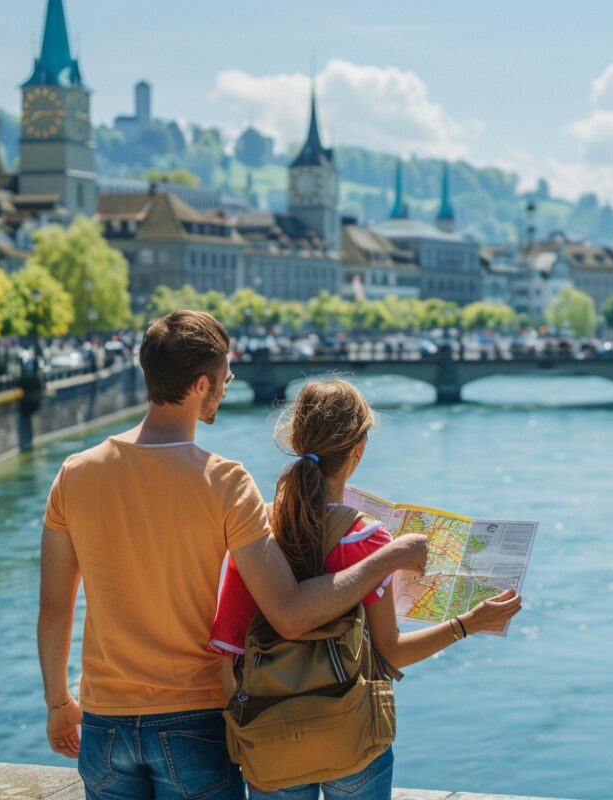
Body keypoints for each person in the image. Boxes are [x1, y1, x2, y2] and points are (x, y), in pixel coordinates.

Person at [37, 310, 428, 800]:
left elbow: (53, 611)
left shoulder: (74, 474)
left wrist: (58, 703)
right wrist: (386, 558)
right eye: (225, 376)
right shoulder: (224, 482)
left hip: (103, 723)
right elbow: (287, 612)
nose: (229, 383)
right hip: (194, 722)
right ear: (202, 384)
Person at [210, 379, 523, 800]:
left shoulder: (255, 537)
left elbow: (226, 654)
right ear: (357, 451)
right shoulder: (367, 541)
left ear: (296, 441)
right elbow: (390, 653)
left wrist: (245, 735)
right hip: (351, 735)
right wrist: (468, 623)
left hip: (270, 739)